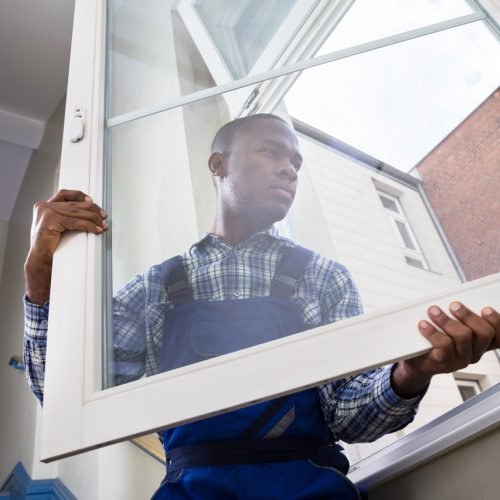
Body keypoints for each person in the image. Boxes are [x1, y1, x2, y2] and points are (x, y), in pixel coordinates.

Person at [24, 114, 499, 499]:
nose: (290, 168)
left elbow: (349, 419)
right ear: (218, 164)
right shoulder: (158, 287)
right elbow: (64, 396)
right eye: (271, 151)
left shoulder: (323, 278)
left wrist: (410, 373)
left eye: (295, 160)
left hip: (310, 491)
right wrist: (40, 277)